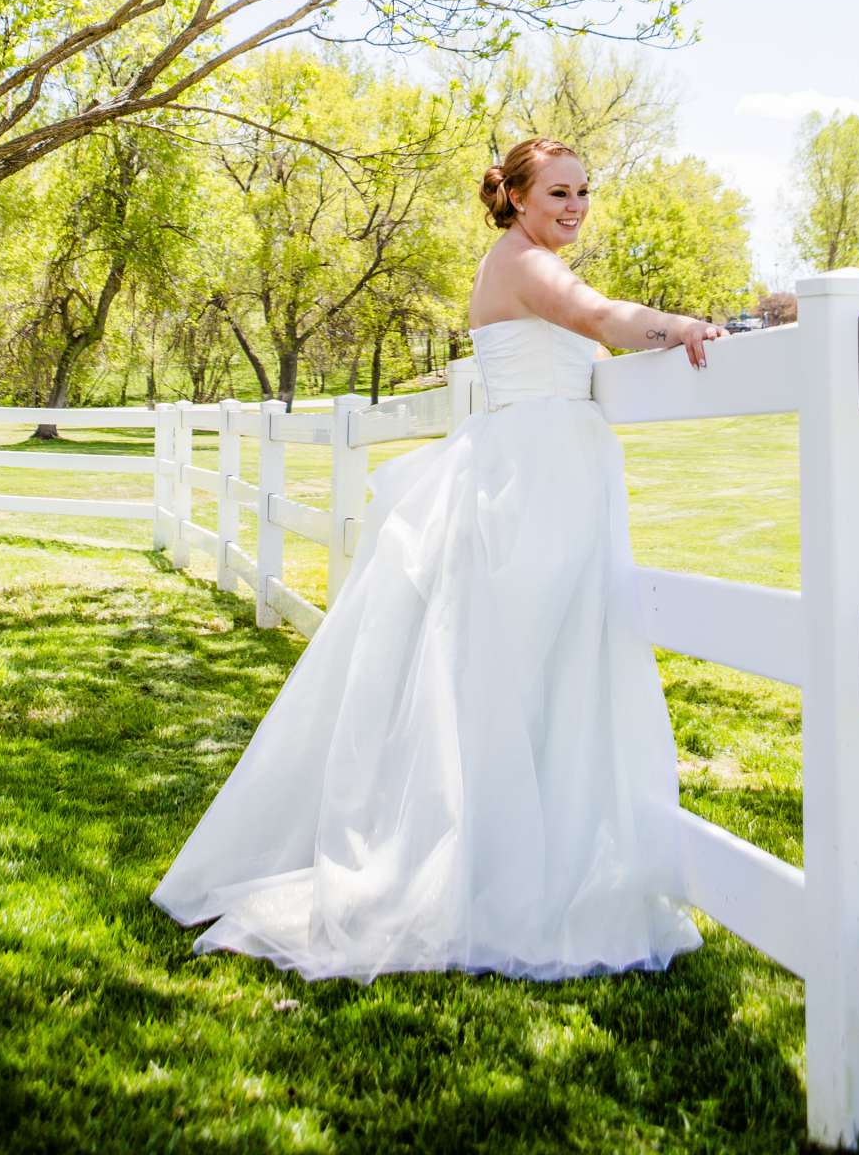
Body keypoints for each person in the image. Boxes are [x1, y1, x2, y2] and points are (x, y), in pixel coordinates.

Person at [151, 134, 726, 980]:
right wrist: (679, 326)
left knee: (533, 666)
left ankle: (512, 853)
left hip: (545, 465)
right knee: (524, 665)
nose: (573, 206)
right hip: (534, 475)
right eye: (557, 193)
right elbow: (601, 320)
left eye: (583, 193)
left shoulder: (520, 260)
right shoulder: (527, 267)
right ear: (520, 200)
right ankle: (491, 872)